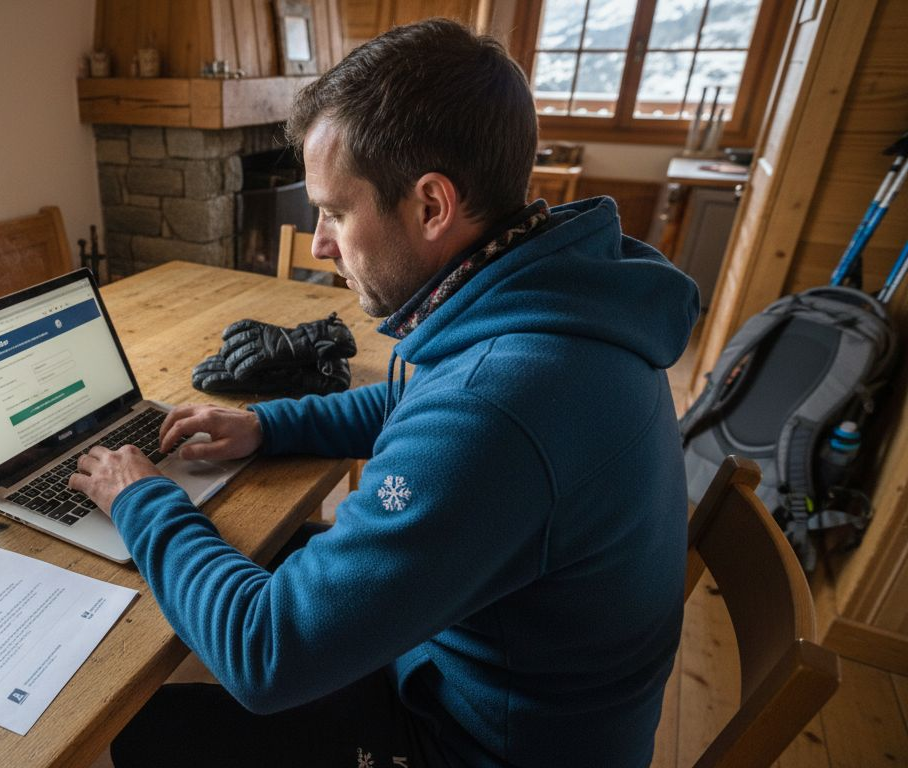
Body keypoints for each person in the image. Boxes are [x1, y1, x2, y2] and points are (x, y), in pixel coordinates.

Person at [70, 19, 699, 768]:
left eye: (336, 212)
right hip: (502, 683)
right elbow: (416, 402)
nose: (319, 244)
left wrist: (142, 498)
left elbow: (265, 654)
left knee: (142, 731)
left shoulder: (494, 409)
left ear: (431, 206)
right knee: (263, 550)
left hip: (476, 745)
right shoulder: (550, 295)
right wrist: (268, 427)